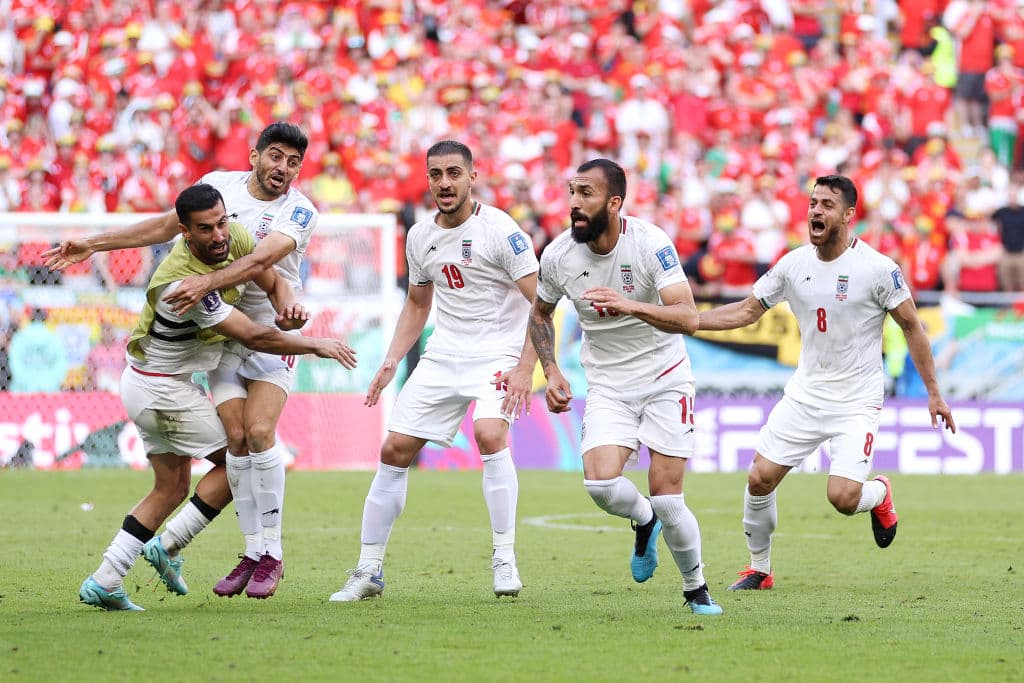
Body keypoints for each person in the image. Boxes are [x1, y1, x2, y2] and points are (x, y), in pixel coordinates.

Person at [45, 122, 318, 599]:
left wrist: (287, 302)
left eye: (293, 161)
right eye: (275, 156)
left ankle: (122, 573)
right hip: (225, 340)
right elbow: (163, 223)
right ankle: (229, 550)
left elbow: (264, 265)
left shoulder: (298, 210)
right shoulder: (213, 203)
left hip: (264, 333)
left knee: (199, 471)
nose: (283, 168)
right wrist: (97, 243)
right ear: (253, 155)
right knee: (244, 450)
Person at [80, 183, 357, 610]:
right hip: (162, 390)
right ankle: (189, 545)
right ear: (185, 234)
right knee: (238, 462)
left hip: (148, 382)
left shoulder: (236, 236)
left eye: (222, 222)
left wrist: (289, 303)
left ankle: (107, 577)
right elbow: (252, 334)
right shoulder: (180, 285)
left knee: (170, 488)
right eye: (205, 229)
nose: (219, 235)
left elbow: (272, 280)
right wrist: (315, 344)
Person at [696, 175, 957, 591]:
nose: (816, 211)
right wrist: (692, 322)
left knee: (843, 499)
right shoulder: (793, 264)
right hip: (806, 394)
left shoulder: (877, 269)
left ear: (849, 215)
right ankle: (759, 569)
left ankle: (879, 494)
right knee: (759, 477)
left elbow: (912, 327)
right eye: (813, 202)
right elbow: (746, 311)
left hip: (857, 400)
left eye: (827, 205)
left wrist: (934, 393)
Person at [329, 140, 538, 602]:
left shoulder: (501, 230)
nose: (445, 183)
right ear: (428, 179)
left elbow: (541, 303)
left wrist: (527, 367)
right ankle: (368, 570)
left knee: (489, 434)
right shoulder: (420, 236)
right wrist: (390, 361)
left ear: (472, 177)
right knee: (394, 448)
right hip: (444, 352)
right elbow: (418, 303)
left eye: (454, 173)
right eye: (436, 174)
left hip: (498, 351)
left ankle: (505, 557)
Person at [527, 158, 723, 616]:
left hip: (665, 378)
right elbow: (540, 313)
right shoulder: (557, 256)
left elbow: (688, 316)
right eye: (572, 192)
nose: (575, 203)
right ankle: (643, 519)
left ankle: (696, 589)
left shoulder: (651, 244)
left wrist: (630, 305)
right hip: (609, 384)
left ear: (614, 203)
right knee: (599, 484)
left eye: (586, 194)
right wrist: (552, 370)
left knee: (669, 497)